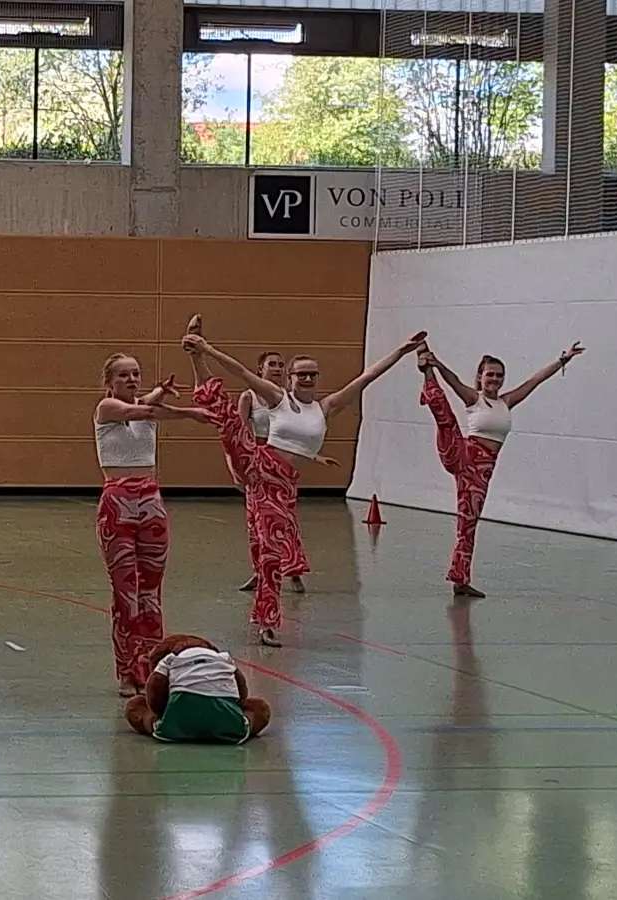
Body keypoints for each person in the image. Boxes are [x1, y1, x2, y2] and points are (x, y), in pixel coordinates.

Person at [182, 315, 426, 646]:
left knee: (272, 551)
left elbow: (367, 377)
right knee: (227, 418)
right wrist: (208, 349)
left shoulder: (326, 408)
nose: (308, 378)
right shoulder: (277, 398)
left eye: (313, 373)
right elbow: (241, 372)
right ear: (290, 378)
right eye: (301, 374)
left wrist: (401, 351)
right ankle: (196, 356)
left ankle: (266, 613)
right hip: (259, 463)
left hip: (283, 484)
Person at [416, 341, 584, 598]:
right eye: (490, 374)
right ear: (480, 377)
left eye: (499, 375)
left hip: (483, 471)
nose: (494, 379)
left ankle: (460, 580)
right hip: (463, 455)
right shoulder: (474, 399)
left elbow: (535, 380)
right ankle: (427, 370)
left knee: (468, 522)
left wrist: (562, 360)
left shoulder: (506, 402)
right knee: (446, 419)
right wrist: (437, 364)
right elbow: (454, 381)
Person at [93, 354, 212, 696]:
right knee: (125, 592)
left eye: (135, 374)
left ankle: (152, 669)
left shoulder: (144, 403)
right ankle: (126, 670)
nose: (131, 379)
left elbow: (147, 404)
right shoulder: (106, 408)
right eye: (123, 375)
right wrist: (189, 413)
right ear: (109, 381)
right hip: (117, 503)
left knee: (150, 592)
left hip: (150, 501)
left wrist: (160, 390)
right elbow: (143, 411)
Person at [235, 352, 310, 594]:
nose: (277, 368)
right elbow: (239, 435)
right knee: (256, 519)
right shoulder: (248, 397)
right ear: (260, 369)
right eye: (272, 364)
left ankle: (294, 570)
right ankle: (260, 571)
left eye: (280, 365)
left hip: (283, 461)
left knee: (286, 518)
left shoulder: (290, 398)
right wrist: (238, 468)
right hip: (257, 462)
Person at [130, 644, 271, 744]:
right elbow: (241, 689)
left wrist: (159, 712)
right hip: (227, 723)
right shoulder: (224, 657)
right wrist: (239, 705)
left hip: (178, 721)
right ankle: (239, 724)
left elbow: (156, 686)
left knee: (139, 709)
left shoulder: (170, 659)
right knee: (259, 710)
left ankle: (155, 721)